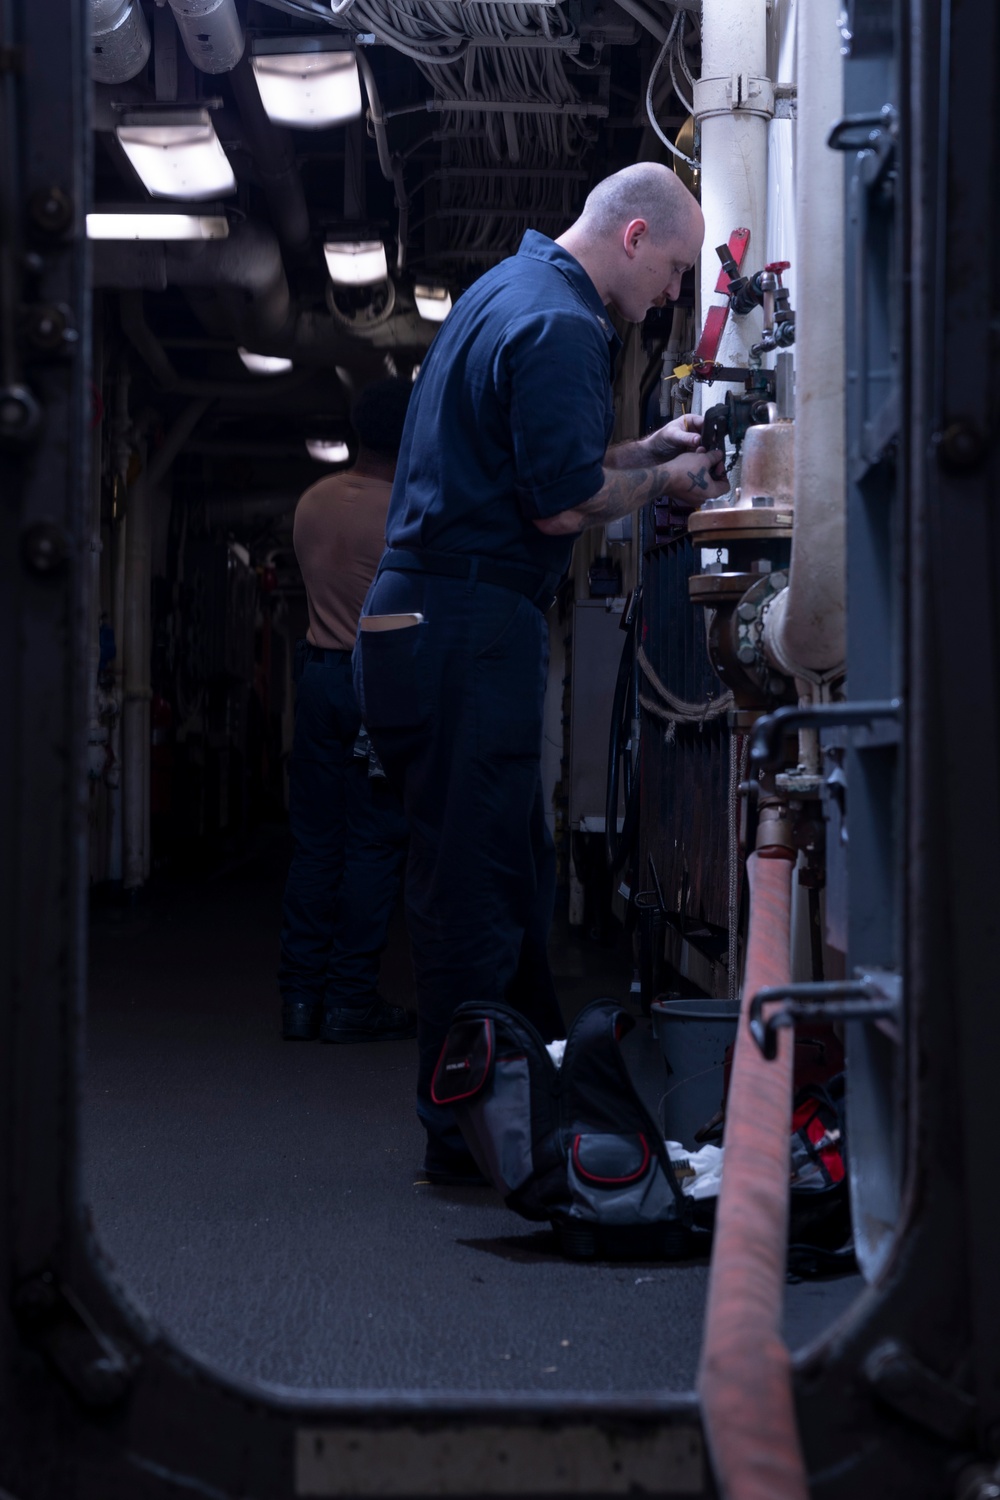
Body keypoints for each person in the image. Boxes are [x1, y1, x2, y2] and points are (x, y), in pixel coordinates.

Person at [353, 162, 729, 1181]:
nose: (669, 301)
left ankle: (519, 1101)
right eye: (675, 275)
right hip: (464, 622)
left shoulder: (506, 293)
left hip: (428, 615)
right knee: (473, 888)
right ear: (636, 236)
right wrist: (671, 477)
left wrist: (639, 443)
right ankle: (462, 1135)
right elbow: (559, 507)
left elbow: (541, 462)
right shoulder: (565, 326)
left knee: (503, 872)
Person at [278, 378, 415, 1045]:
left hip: (315, 680)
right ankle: (350, 1001)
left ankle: (300, 1001)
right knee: (373, 843)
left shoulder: (311, 503)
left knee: (314, 845)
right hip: (375, 684)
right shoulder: (406, 511)